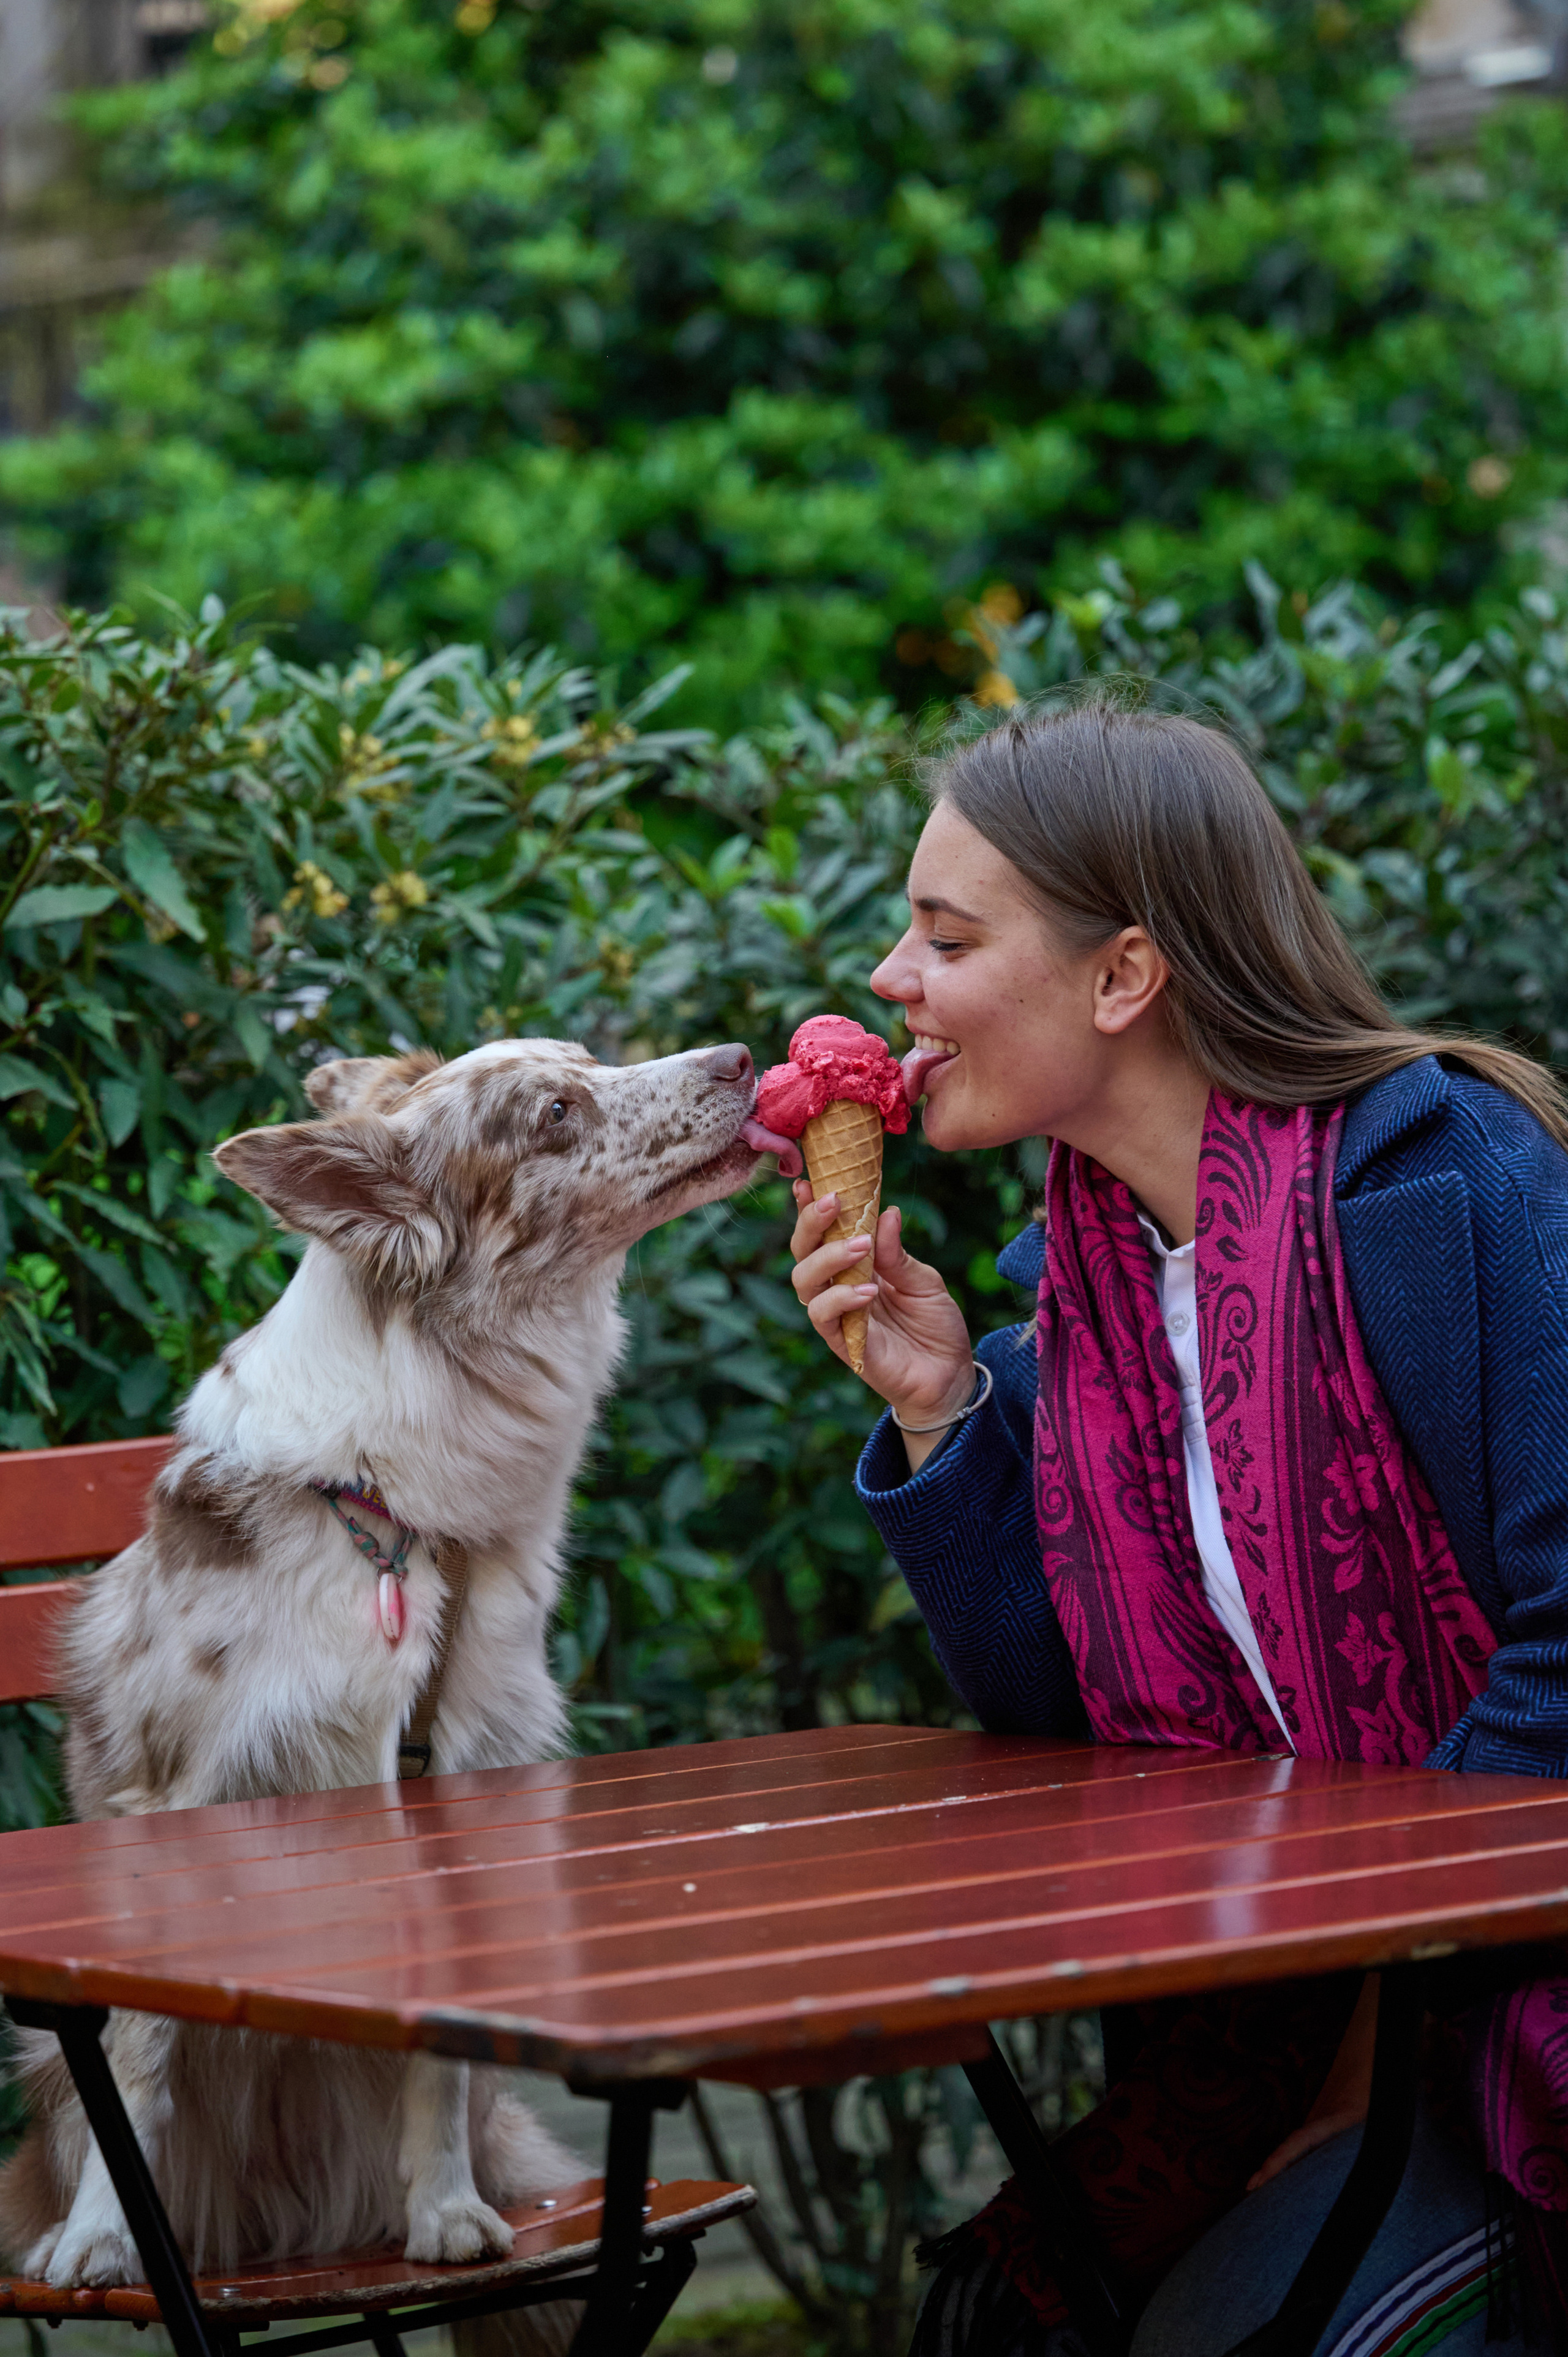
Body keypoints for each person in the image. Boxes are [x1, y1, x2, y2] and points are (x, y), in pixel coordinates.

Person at [786, 697, 1568, 2357]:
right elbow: (1082, 1736)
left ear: (1126, 977)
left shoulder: (1451, 1192)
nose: (889, 979)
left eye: (944, 933)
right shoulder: (1083, 1304)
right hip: (1289, 2018)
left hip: (1512, 2008)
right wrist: (942, 1415)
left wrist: (1374, 2041)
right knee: (997, 2315)